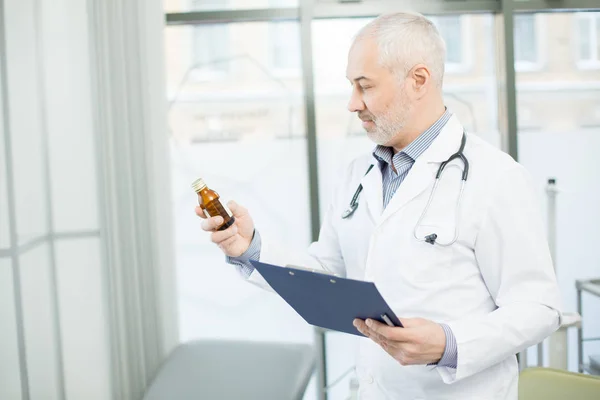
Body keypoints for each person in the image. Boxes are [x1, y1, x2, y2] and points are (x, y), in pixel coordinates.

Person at [196, 12, 562, 399]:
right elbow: (328, 274)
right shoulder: (357, 174)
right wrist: (250, 247)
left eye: (364, 86)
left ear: (418, 81)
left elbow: (538, 306)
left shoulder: (495, 177)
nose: (353, 103)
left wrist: (449, 343)